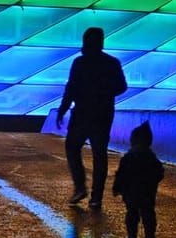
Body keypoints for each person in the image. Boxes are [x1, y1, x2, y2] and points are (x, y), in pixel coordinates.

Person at [54, 26, 127, 208]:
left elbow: (70, 88)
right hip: (103, 114)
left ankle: (80, 187)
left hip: (82, 113)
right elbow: (122, 87)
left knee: (72, 147)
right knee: (99, 155)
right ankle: (96, 197)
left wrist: (63, 109)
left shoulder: (80, 63)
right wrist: (104, 91)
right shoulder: (112, 63)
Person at [111, 122, 165, 238]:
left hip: (131, 192)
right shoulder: (151, 158)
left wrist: (117, 188)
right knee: (148, 214)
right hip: (148, 192)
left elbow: (121, 174)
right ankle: (149, 237)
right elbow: (159, 172)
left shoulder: (129, 157)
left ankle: (132, 237)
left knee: (132, 215)